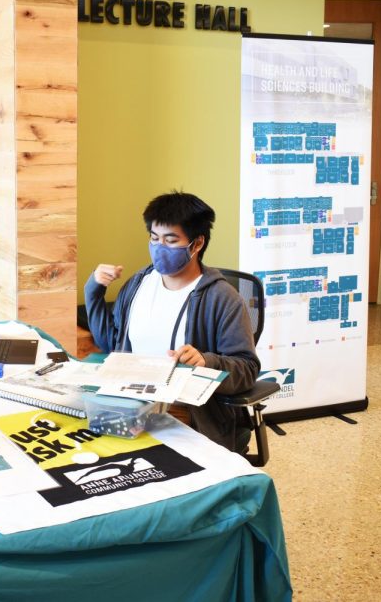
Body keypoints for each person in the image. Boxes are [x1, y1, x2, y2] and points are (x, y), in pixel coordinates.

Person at [84, 191, 259, 451]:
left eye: (171, 240)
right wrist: (94, 290)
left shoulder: (223, 298)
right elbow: (111, 343)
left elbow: (246, 370)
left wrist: (206, 361)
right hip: (131, 402)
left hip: (185, 411)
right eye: (154, 238)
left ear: (196, 244)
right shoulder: (138, 283)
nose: (159, 247)